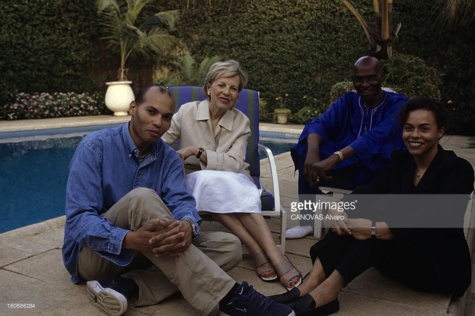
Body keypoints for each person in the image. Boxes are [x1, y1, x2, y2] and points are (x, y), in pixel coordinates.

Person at [61, 84, 296, 316]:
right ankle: (232, 297)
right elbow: (79, 222)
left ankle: (126, 286)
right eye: (150, 112)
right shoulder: (95, 147)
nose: (158, 123)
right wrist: (130, 239)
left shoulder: (170, 159)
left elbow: (182, 203)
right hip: (96, 256)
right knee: (142, 197)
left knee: (230, 247)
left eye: (165, 117)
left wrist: (187, 225)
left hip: (149, 250)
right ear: (133, 108)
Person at [270, 97, 474, 315]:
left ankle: (327, 293)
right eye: (408, 128)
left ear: (440, 132)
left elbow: (436, 219)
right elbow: (370, 190)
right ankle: (310, 285)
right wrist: (340, 207)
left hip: (436, 267)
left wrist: (372, 228)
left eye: (424, 129)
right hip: (400, 259)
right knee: (361, 210)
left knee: (374, 223)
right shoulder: (401, 161)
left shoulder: (457, 169)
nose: (415, 135)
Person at [162, 59, 302, 291]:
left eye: (233, 88)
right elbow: (161, 142)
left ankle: (265, 252)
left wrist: (196, 151)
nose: (227, 92)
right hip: (193, 178)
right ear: (209, 87)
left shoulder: (241, 121)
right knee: (207, 181)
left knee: (218, 183)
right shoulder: (187, 111)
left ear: (238, 94)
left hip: (232, 177)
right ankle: (265, 251)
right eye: (221, 85)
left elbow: (235, 163)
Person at [286, 55, 408, 239]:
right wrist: (313, 154)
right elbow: (319, 124)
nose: (365, 84)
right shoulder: (348, 101)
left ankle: (362, 216)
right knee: (306, 148)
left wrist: (335, 158)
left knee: (385, 160)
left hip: (376, 171)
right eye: (359, 79)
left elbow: (375, 138)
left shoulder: (398, 103)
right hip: (347, 169)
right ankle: (308, 222)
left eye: (371, 78)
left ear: (381, 77)